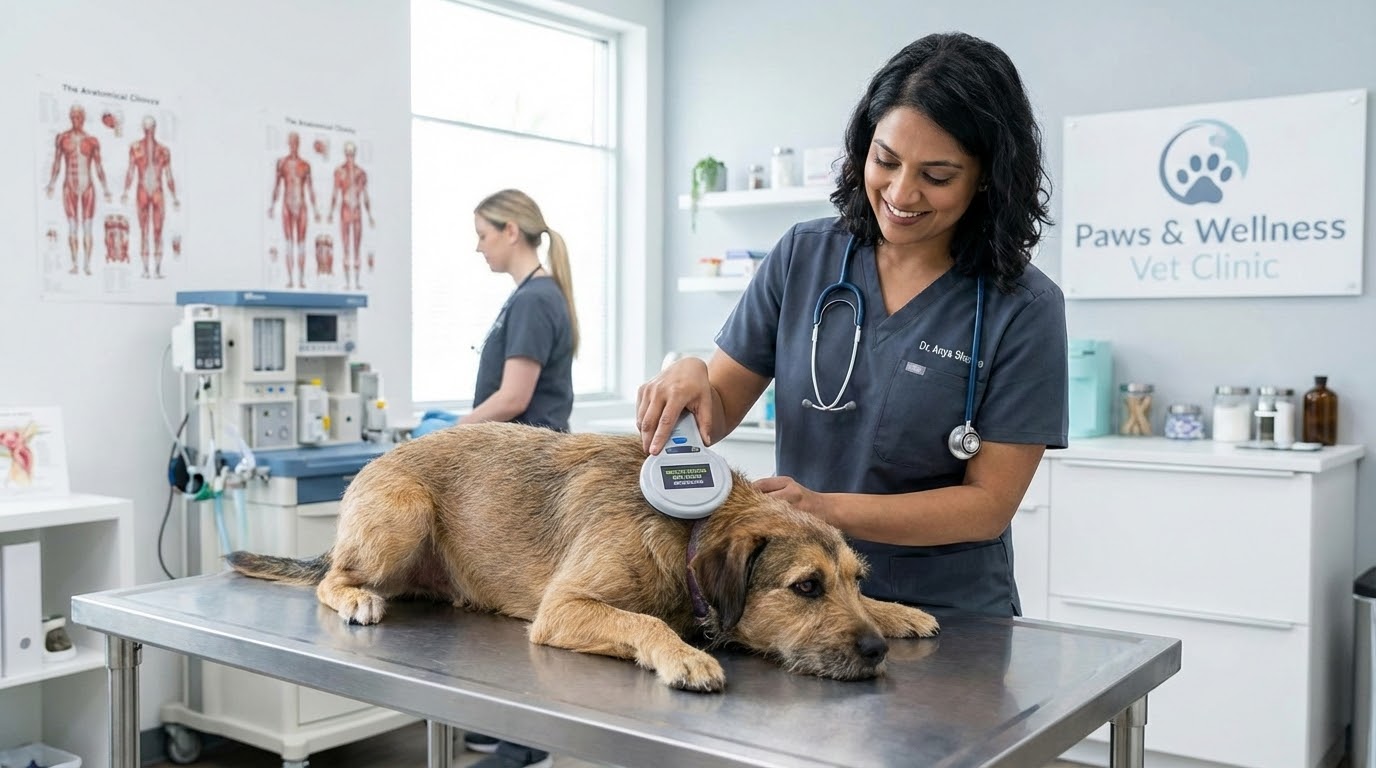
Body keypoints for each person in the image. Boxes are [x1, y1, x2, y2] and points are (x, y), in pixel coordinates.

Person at [637, 32, 1067, 619]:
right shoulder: (804, 256)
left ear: (988, 177)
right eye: (885, 160)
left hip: (946, 616)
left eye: (937, 176)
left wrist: (823, 508)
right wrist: (688, 372)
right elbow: (717, 404)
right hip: (805, 607)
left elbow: (986, 506)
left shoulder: (1024, 307)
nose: (901, 192)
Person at [460, 188, 578, 768]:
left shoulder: (534, 300)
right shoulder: (532, 295)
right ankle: (505, 726)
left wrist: (450, 436)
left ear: (511, 231)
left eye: (483, 234)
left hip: (528, 471)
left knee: (524, 604)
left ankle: (528, 741)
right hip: (525, 465)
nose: (478, 247)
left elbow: (514, 397)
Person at [45, 103, 111, 276]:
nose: (76, 119)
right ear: (70, 117)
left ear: (83, 118)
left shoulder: (92, 140)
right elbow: (57, 163)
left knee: (87, 227)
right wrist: (51, 183)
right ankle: (75, 264)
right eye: (74, 116)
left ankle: (87, 264)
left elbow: (98, 167)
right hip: (69, 186)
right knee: (72, 227)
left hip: (88, 186)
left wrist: (105, 189)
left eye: (79, 116)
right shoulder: (62, 138)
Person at [121, 115, 180, 279]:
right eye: (146, 128)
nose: (148, 131)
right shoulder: (135, 148)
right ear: (143, 128)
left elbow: (168, 175)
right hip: (142, 190)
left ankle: (158, 269)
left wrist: (174, 196)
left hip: (157, 191)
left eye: (150, 128)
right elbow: (131, 171)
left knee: (158, 230)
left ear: (154, 128)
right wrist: (125, 191)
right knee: (144, 230)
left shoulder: (164, 150)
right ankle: (146, 269)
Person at [267, 131, 319, 289]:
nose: (293, 144)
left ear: (299, 143)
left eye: (296, 141)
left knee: (301, 243)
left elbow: (310, 188)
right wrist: (272, 205)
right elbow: (276, 186)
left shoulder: (305, 165)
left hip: (302, 206)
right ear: (288, 143)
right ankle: (290, 279)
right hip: (287, 205)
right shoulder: (282, 163)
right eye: (291, 141)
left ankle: (301, 279)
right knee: (289, 243)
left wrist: (316, 210)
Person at [326, 141, 374, 291]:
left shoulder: (361, 173)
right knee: (346, 247)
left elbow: (365, 195)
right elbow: (335, 192)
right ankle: (347, 283)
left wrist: (370, 215)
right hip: (345, 211)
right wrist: (330, 212)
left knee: (357, 247)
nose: (350, 157)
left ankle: (357, 282)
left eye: (352, 154)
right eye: (348, 154)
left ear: (355, 154)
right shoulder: (339, 172)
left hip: (357, 211)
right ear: (345, 154)